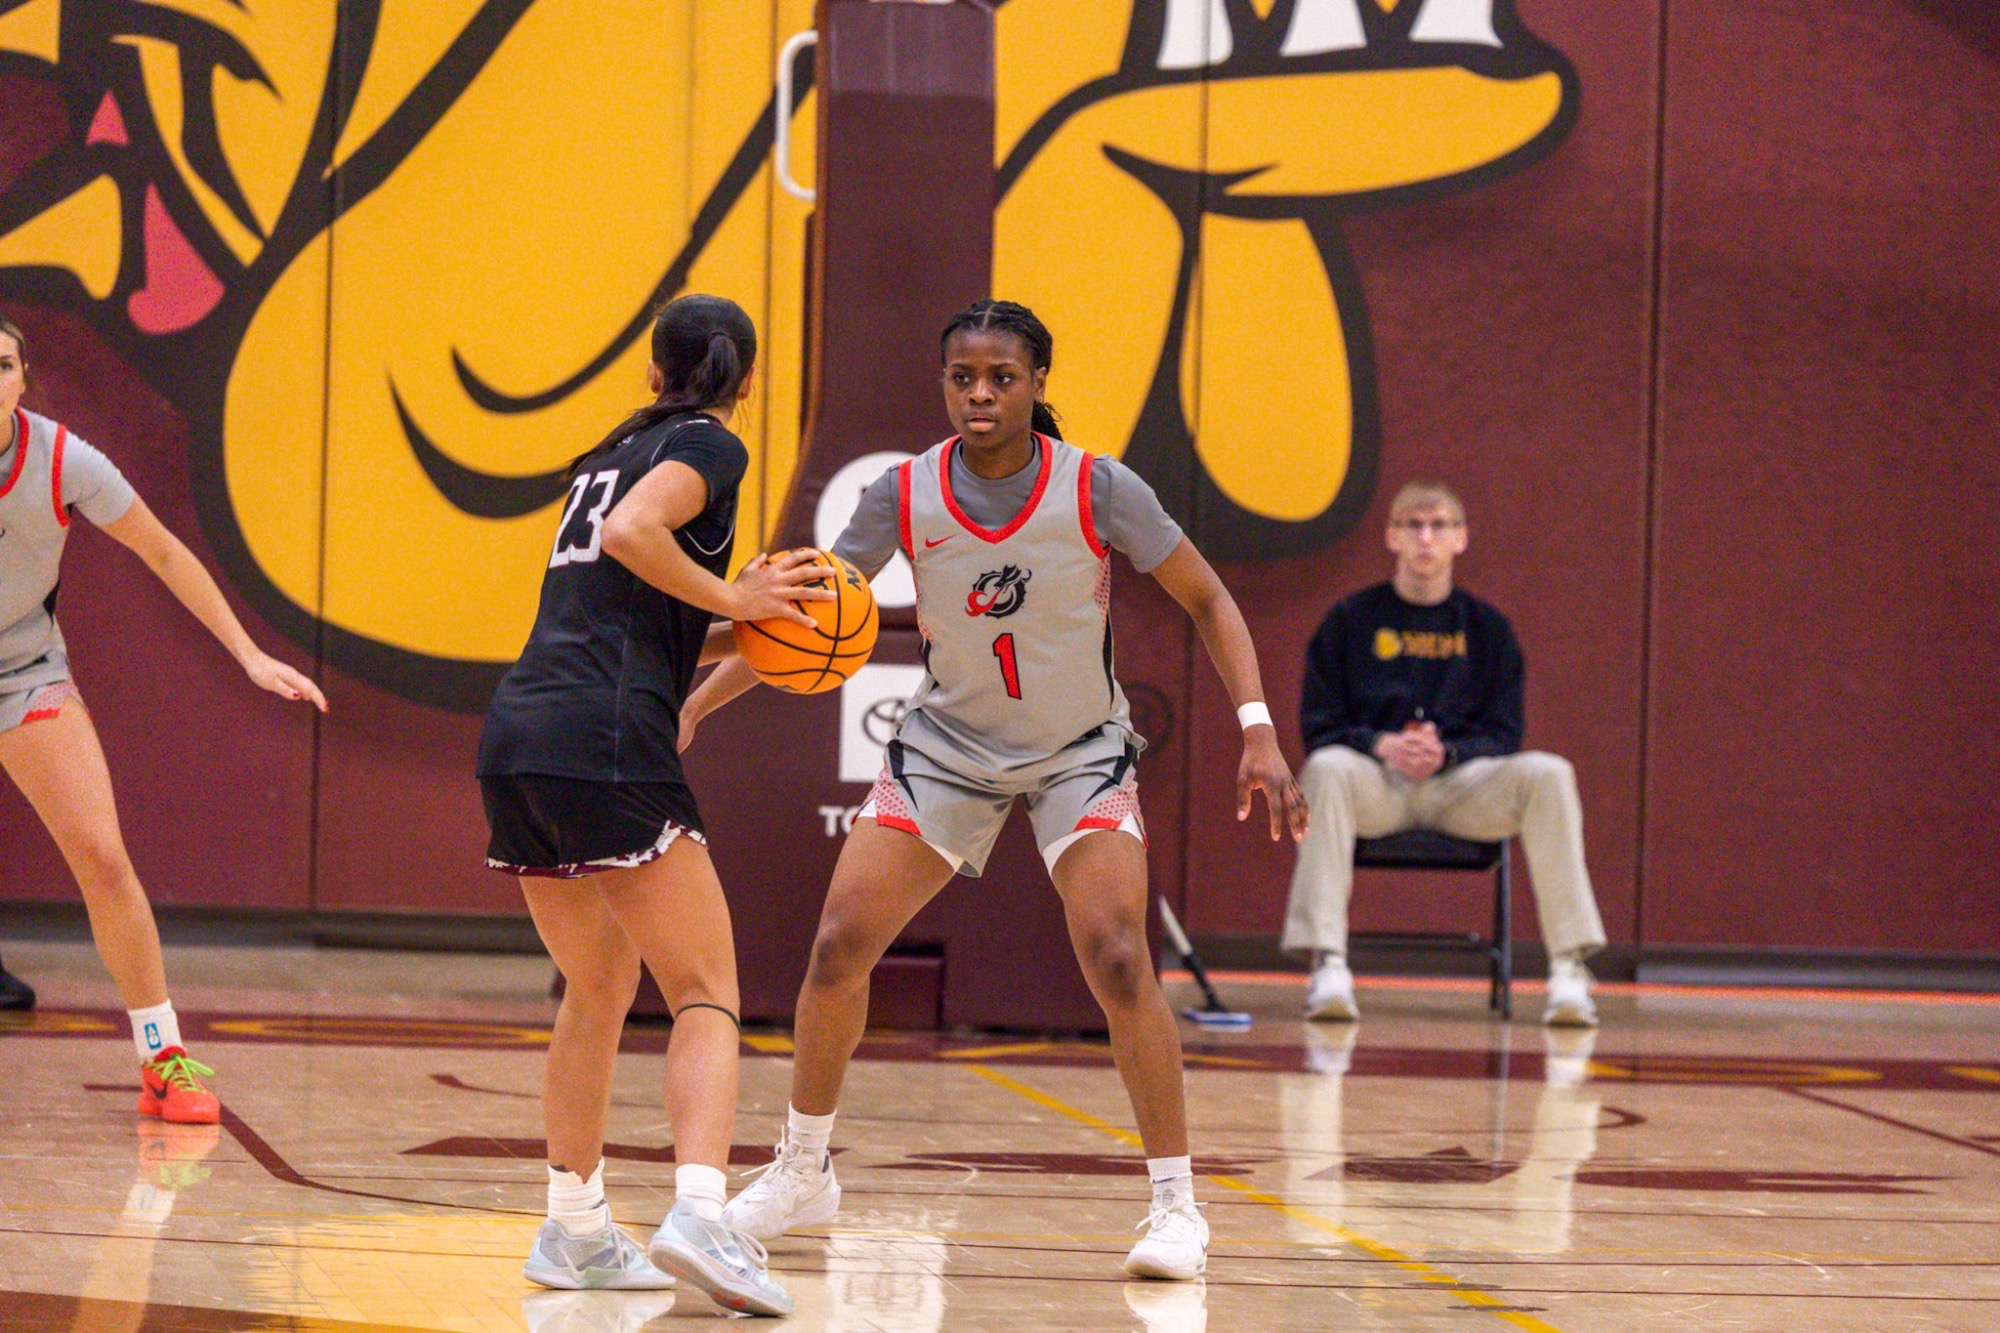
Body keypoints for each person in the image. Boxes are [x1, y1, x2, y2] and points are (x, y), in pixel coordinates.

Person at [682, 299, 1307, 1282]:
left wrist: (1259, 730)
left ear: (1036, 384)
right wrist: (696, 705)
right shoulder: (903, 491)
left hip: (1077, 750)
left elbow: (1207, 596)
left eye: (1001, 378)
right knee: (839, 945)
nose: (980, 394)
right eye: (962, 378)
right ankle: (802, 1168)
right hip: (946, 747)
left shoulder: (1096, 486)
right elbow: (800, 621)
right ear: (944, 385)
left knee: (1117, 956)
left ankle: (1176, 1207)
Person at [476, 294, 824, 1315]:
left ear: (652, 371)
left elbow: (632, 604)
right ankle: (703, 1215)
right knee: (706, 988)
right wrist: (739, 598)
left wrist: (750, 624)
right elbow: (638, 534)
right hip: (605, 733)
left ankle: (574, 1227)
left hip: (522, 735)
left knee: (596, 986)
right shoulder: (708, 445)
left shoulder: (604, 456)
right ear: (745, 380)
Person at [0, 315, 327, 1121]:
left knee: (104, 859)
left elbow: (164, 551)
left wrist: (247, 654)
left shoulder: (63, 459)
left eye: (2, 364)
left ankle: (162, 1057)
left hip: (23, 676)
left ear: (24, 378)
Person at [1280, 480, 1607, 1026]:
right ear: (1392, 536)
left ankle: (1569, 971)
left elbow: (1505, 734)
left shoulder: (1489, 629)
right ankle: (1328, 965)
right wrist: (1381, 743)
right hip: (1377, 788)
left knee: (1549, 773)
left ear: (1461, 538)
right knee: (1326, 768)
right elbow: (1319, 726)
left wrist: (1449, 752)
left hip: (1462, 790)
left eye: (1439, 526)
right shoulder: (1349, 621)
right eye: (1413, 525)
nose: (1426, 538)